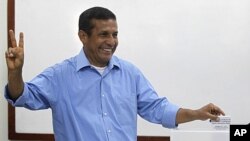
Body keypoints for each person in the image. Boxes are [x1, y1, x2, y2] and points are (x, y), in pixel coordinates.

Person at [5, 6, 225, 141]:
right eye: (103, 34)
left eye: (115, 34)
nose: (111, 41)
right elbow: (23, 97)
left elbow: (157, 108)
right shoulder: (59, 75)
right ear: (83, 36)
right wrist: (16, 73)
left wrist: (196, 113)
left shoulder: (129, 73)